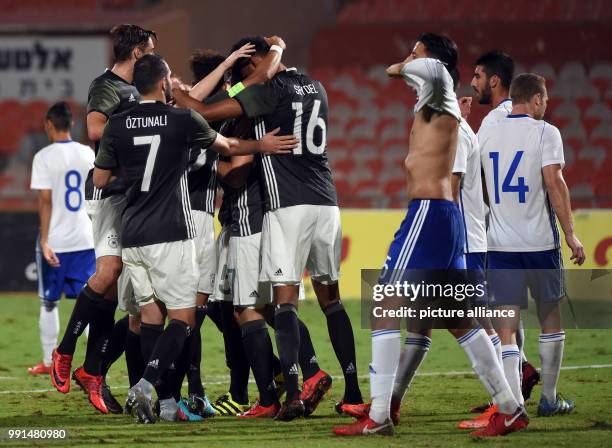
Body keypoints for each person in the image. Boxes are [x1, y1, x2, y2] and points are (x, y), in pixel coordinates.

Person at [333, 33, 526, 438]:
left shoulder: (437, 78)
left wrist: (411, 62)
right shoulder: (435, 96)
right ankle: (509, 408)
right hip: (444, 217)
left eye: (417, 52)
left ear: (432, 60)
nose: (410, 58)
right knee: (456, 317)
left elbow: (396, 69)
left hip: (429, 213)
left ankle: (381, 413)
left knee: (385, 301)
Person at [92, 53, 297, 423]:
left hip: (132, 234)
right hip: (171, 231)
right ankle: (148, 384)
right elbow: (229, 148)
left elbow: (100, 180)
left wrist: (135, 177)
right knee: (184, 319)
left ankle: (167, 405)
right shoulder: (182, 120)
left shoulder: (118, 125)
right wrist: (261, 146)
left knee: (149, 318)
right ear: (163, 82)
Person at [50, 24, 156, 415]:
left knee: (117, 298)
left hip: (134, 197)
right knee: (108, 272)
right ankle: (64, 350)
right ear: (137, 52)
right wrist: (138, 120)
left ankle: (93, 371)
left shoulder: (143, 88)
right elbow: (95, 129)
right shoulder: (106, 86)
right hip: (108, 193)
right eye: (150, 50)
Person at [480, 73, 584, 418]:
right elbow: (555, 183)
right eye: (546, 101)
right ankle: (550, 400)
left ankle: (514, 407)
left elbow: (479, 183)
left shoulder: (489, 131)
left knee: (506, 329)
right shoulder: (546, 132)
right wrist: (571, 234)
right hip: (540, 243)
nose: (546, 106)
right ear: (536, 100)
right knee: (550, 319)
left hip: (499, 244)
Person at [470, 50, 541, 403]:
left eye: (478, 76)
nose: (473, 82)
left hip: (492, 229)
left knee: (490, 310)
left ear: (494, 80)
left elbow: (476, 170)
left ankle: (511, 389)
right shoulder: (518, 118)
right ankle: (519, 374)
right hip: (517, 226)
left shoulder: (494, 122)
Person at [29, 102, 96, 377]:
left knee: (49, 302)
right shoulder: (88, 153)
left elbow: (45, 200)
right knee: (89, 301)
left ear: (48, 124)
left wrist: (44, 240)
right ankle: (94, 363)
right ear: (71, 124)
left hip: (56, 241)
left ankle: (48, 360)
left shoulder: (44, 157)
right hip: (86, 238)